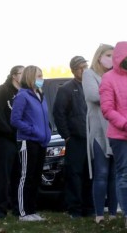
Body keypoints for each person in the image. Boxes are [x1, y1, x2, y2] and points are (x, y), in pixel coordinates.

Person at [100, 41, 127, 229]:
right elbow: (107, 109)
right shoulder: (108, 78)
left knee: (123, 175)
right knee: (124, 175)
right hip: (122, 136)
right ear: (120, 59)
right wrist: (126, 125)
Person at [52, 55, 93, 218]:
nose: (83, 70)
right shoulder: (66, 89)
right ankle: (74, 209)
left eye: (85, 66)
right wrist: (66, 136)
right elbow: (58, 113)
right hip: (75, 139)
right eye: (80, 67)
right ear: (73, 70)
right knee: (74, 174)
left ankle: (89, 208)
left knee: (90, 174)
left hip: (91, 138)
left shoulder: (92, 86)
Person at [10, 65, 51, 222]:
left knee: (35, 177)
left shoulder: (40, 94)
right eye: (39, 76)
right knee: (26, 177)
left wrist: (45, 132)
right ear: (30, 77)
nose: (42, 78)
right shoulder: (22, 96)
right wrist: (33, 130)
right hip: (28, 141)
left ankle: (32, 210)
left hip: (41, 142)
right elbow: (15, 120)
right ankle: (23, 213)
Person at [83, 44, 117, 224]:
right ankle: (99, 215)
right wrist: (116, 93)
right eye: (108, 55)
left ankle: (113, 213)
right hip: (99, 132)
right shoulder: (89, 74)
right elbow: (93, 96)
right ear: (99, 57)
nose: (111, 59)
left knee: (114, 175)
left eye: (114, 55)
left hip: (117, 130)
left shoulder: (115, 76)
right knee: (101, 173)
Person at [0, 65, 24, 219]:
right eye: (22, 73)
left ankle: (17, 208)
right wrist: (9, 131)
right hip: (2, 139)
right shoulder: (2, 91)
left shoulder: (23, 92)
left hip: (18, 140)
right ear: (14, 76)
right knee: (3, 177)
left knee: (18, 175)